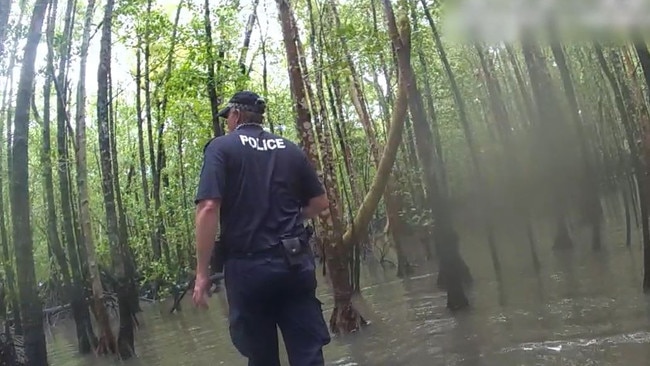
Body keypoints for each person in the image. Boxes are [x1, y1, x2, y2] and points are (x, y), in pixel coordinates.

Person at [192, 90, 331, 365]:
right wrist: (293, 216)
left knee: (261, 357)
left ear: (235, 115)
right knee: (308, 355)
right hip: (294, 264)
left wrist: (201, 273)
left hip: (249, 270)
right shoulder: (289, 148)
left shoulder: (221, 148)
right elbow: (320, 202)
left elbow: (208, 207)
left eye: (228, 117)